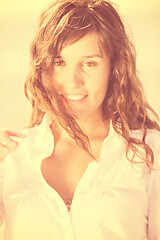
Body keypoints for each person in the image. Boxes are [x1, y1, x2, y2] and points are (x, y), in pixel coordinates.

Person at [0, 0, 160, 239]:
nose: (72, 81)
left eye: (89, 63)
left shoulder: (149, 154)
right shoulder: (10, 157)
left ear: (115, 67)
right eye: (59, 62)